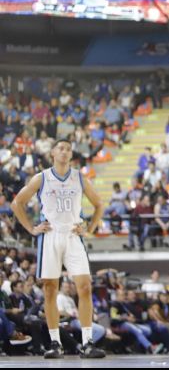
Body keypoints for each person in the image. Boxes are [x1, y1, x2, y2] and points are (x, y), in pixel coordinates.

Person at [10, 139, 105, 358]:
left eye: (68, 149)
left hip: (73, 235)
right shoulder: (42, 177)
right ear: (52, 152)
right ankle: (55, 343)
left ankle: (88, 342)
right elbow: (17, 203)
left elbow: (99, 204)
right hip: (50, 235)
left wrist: (89, 228)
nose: (64, 151)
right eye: (61, 148)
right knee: (50, 289)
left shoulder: (79, 177)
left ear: (71, 155)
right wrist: (32, 229)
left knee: (85, 287)